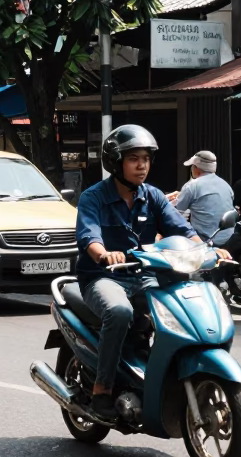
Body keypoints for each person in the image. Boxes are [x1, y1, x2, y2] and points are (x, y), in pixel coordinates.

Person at [75, 125, 227, 421]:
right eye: (133, 158)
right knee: (119, 312)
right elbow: (88, 236)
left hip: (144, 275)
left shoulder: (153, 196)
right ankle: (102, 389)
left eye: (145, 158)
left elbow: (182, 230)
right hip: (104, 276)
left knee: (178, 308)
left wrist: (208, 250)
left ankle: (161, 371)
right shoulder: (93, 197)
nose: (141, 165)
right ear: (116, 162)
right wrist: (104, 254)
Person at [169, 150, 235, 245]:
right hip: (228, 241)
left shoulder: (191, 186)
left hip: (204, 243)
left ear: (196, 168)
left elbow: (175, 214)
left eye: (192, 166)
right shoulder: (227, 186)